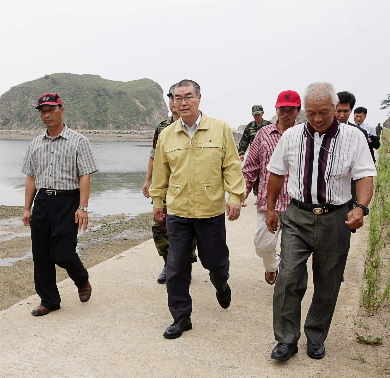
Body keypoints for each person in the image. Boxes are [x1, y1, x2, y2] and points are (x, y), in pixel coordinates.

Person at [265, 82, 376, 361]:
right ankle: (286, 340)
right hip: (296, 216)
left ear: (335, 108)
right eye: (311, 113)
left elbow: (364, 175)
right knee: (288, 278)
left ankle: (316, 336)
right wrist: (270, 209)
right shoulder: (290, 137)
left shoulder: (354, 137)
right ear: (304, 110)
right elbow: (276, 174)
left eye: (324, 112)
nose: (317, 119)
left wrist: (360, 207)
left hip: (335, 218)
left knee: (328, 281)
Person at [150, 79, 245, 339]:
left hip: (210, 211)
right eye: (177, 97)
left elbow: (231, 166)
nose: (182, 102)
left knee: (215, 262)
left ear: (199, 98)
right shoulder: (167, 135)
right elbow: (161, 173)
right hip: (178, 211)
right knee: (176, 266)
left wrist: (235, 197)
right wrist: (158, 202)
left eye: (188, 96)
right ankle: (181, 317)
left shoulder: (220, 129)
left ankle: (221, 283)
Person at [21, 93, 98, 317]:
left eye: (51, 110)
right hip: (43, 201)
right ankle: (49, 300)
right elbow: (31, 178)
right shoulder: (35, 143)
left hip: (68, 201)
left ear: (61, 110)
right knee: (41, 254)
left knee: (63, 254)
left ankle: (82, 279)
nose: (47, 115)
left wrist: (82, 207)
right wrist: (27, 208)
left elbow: (84, 175)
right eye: (43, 111)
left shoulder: (78, 141)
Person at [242, 90, 301, 285]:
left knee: (294, 251)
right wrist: (242, 192)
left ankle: (287, 282)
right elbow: (251, 166)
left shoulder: (305, 134)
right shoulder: (263, 134)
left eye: (290, 110)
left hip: (297, 204)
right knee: (262, 245)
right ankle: (272, 266)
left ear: (298, 111)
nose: (286, 113)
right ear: (276, 110)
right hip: (269, 203)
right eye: (282, 109)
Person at [142, 84, 196, 284]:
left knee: (187, 226)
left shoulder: (194, 126)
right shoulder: (162, 128)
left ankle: (185, 263)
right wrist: (148, 180)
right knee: (160, 226)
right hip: (165, 187)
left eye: (179, 98)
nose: (176, 103)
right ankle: (168, 263)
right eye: (172, 98)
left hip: (187, 187)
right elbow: (154, 156)